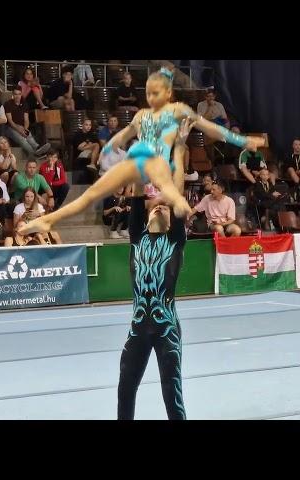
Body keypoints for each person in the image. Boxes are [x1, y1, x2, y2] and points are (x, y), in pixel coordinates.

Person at [19, 67, 262, 237]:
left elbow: (210, 128)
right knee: (91, 194)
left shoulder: (178, 110)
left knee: (158, 173)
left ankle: (178, 203)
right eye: (147, 93)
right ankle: (47, 220)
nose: (150, 97)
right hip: (136, 162)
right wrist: (108, 149)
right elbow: (122, 137)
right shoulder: (141, 115)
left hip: (156, 165)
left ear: (168, 93)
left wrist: (241, 140)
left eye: (155, 93)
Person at [117, 122, 191, 420]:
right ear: (146, 218)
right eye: (154, 207)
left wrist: (181, 146)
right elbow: (137, 194)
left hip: (166, 329)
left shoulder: (175, 241)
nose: (159, 208)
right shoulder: (137, 238)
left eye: (164, 208)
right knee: (125, 387)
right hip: (138, 328)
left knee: (170, 391)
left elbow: (177, 194)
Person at [4, 86, 51, 157]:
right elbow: (10, 121)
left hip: (22, 127)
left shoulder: (25, 104)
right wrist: (19, 129)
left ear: (21, 94)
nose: (17, 96)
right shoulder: (8, 104)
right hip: (10, 128)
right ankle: (35, 154)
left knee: (28, 135)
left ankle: (38, 148)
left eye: (19, 94)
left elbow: (26, 120)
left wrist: (25, 128)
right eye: (15, 94)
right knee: (22, 139)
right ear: (13, 95)